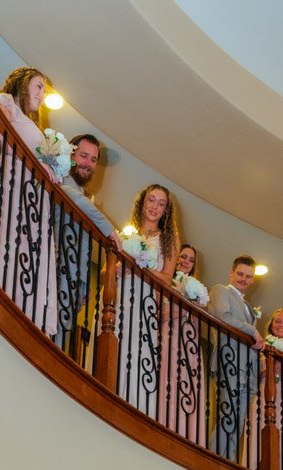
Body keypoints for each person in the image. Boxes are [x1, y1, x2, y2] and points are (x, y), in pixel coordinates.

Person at [0, 67, 58, 336]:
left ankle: (20, 307)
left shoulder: (34, 125)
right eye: (39, 86)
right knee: (3, 241)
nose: (42, 94)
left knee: (24, 253)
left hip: (28, 199)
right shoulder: (6, 102)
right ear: (22, 82)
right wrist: (39, 169)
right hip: (7, 185)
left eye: (43, 89)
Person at [112, 185, 180, 416]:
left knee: (138, 353)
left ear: (166, 211)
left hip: (144, 303)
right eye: (151, 200)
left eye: (161, 204)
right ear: (143, 202)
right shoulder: (129, 232)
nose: (155, 207)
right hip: (120, 297)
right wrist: (117, 269)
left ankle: (133, 409)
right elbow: (105, 271)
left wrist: (137, 270)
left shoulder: (169, 239)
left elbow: (167, 280)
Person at [54, 134, 121, 356]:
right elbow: (73, 199)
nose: (88, 164)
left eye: (93, 160)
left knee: (61, 337)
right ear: (71, 155)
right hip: (55, 268)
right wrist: (109, 229)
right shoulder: (61, 177)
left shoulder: (83, 194)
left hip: (72, 279)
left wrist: (82, 285)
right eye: (84, 156)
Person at [208, 257, 264, 463]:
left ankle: (228, 462)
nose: (244, 279)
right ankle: (215, 461)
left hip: (248, 370)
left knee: (237, 422)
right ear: (232, 272)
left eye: (249, 276)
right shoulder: (220, 290)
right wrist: (253, 331)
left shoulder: (248, 306)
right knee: (227, 415)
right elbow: (224, 317)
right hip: (230, 363)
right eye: (240, 274)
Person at [241, 308, 283, 470]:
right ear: (271, 324)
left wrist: (281, 374)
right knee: (257, 434)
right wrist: (265, 370)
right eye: (277, 321)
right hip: (262, 395)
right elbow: (251, 374)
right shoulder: (261, 345)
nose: (281, 325)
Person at [158, 243, 208, 444]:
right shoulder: (165, 280)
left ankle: (186, 433)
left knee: (187, 383)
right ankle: (163, 423)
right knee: (167, 378)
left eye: (191, 259)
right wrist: (185, 307)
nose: (186, 262)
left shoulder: (196, 287)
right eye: (183, 256)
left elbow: (198, 321)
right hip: (169, 335)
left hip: (189, 341)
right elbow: (160, 312)